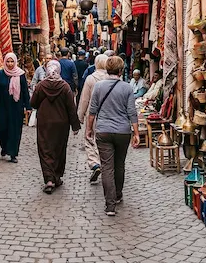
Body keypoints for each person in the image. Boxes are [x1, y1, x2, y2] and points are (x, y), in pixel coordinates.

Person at [86, 56, 140, 217]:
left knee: (107, 167)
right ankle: (117, 195)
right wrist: (136, 133)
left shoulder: (98, 86)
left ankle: (110, 205)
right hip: (123, 132)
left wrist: (89, 129)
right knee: (119, 164)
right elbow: (132, 112)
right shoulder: (127, 88)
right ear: (121, 71)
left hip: (103, 131)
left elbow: (92, 110)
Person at [30, 60, 81, 194]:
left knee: (45, 149)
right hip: (61, 124)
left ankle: (49, 179)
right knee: (59, 149)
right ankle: (56, 176)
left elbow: (33, 103)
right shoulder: (65, 87)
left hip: (44, 123)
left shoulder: (41, 86)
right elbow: (71, 108)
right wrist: (75, 125)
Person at [0, 53, 31, 163]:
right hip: (3, 106)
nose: (10, 64)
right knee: (2, 129)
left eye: (12, 61)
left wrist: (28, 107)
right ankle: (4, 147)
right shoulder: (0, 74)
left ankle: (13, 153)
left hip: (16, 107)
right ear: (5, 62)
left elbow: (25, 92)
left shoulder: (20, 75)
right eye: (8, 61)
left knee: (15, 130)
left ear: (15, 62)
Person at [77, 54, 108, 184]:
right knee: (105, 140)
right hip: (108, 114)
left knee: (89, 138)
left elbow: (85, 99)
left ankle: (95, 164)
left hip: (92, 114)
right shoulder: (111, 78)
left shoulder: (90, 78)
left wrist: (80, 116)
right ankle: (106, 163)